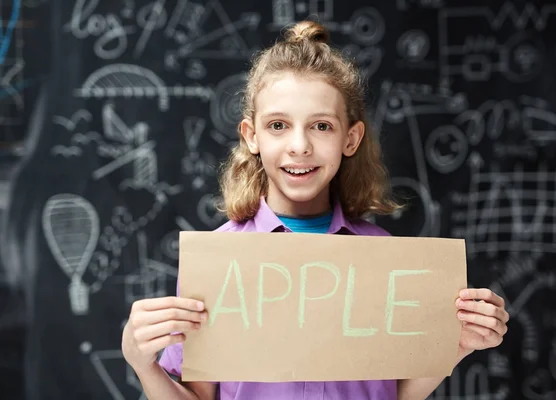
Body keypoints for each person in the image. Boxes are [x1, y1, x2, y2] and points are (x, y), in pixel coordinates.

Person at [121, 20, 510, 400]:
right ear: (251, 136)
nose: (300, 146)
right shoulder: (218, 263)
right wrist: (142, 365)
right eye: (277, 125)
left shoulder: (383, 256)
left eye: (321, 126)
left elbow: (397, 393)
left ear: (351, 138)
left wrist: (456, 345)